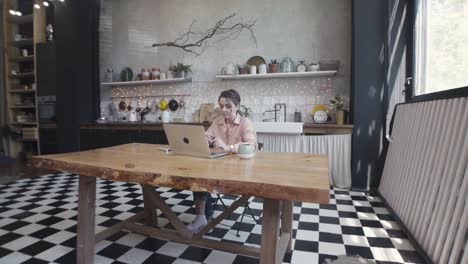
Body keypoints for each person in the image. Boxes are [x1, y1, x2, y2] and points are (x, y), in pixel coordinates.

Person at [187, 89, 257, 232]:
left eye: (228, 106)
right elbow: (206, 137)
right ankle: (201, 217)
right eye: (221, 106)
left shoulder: (245, 123)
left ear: (237, 106)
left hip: (239, 171)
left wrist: (228, 147)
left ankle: (205, 217)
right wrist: (202, 141)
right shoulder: (217, 122)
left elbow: (252, 145)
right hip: (217, 167)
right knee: (199, 175)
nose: (224, 110)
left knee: (205, 178)